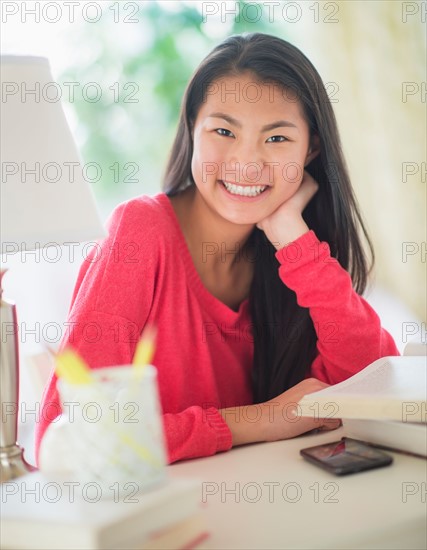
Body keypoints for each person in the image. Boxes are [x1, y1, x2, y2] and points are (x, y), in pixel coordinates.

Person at [35, 32, 399, 465]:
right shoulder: (140, 232)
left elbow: (375, 386)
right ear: (192, 128)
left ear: (311, 148)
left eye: (277, 138)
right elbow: (74, 434)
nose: (246, 162)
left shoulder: (287, 254)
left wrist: (293, 239)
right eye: (224, 130)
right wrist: (258, 420)